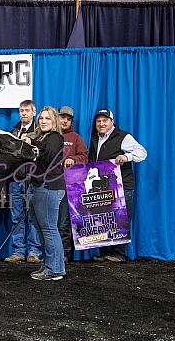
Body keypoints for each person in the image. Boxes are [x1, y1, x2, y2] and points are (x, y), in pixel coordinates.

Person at [89, 108, 147, 262]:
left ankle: (119, 254)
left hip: (122, 185)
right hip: (104, 185)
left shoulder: (123, 136)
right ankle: (105, 253)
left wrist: (126, 156)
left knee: (120, 218)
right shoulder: (95, 138)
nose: (101, 124)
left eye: (105, 121)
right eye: (99, 121)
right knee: (105, 218)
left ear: (112, 122)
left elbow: (142, 152)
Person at [21, 106, 66, 281]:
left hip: (49, 186)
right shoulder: (41, 137)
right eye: (41, 118)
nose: (44, 121)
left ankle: (55, 269)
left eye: (47, 118)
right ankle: (50, 265)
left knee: (48, 229)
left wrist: (32, 143)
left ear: (54, 121)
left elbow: (47, 152)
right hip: (38, 186)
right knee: (41, 229)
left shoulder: (55, 138)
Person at [5, 100, 42, 264]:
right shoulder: (14, 131)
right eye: (21, 110)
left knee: (33, 216)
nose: (24, 113)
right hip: (15, 179)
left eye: (27, 110)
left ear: (34, 112)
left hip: (31, 179)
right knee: (16, 216)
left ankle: (34, 251)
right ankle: (18, 251)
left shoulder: (39, 132)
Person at [57, 106, 88, 262]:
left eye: (68, 119)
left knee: (63, 222)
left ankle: (64, 254)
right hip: (49, 184)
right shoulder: (51, 135)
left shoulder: (75, 138)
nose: (65, 121)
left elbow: (84, 157)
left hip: (67, 185)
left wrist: (73, 159)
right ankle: (51, 253)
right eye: (62, 117)